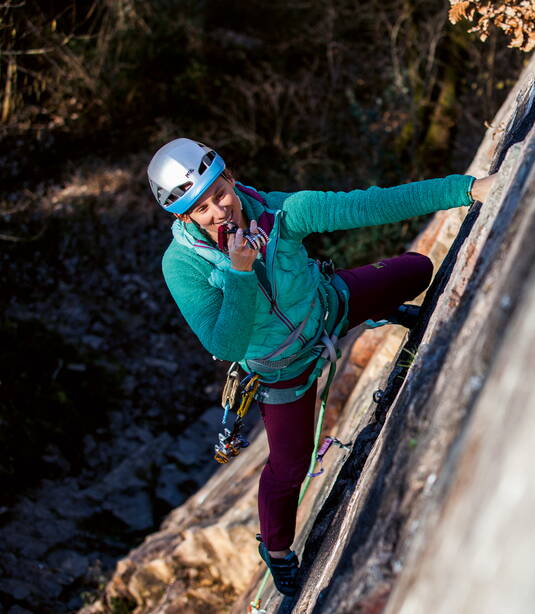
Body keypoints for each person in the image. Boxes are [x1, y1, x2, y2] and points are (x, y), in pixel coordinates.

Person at [149, 137, 495, 596]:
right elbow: (225, 343)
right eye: (202, 209)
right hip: (282, 370)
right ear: (183, 218)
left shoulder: (281, 214)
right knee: (288, 470)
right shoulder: (182, 266)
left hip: (328, 310)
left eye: (220, 193)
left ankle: (378, 310)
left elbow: (366, 206)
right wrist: (239, 272)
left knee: (417, 269)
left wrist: (469, 189)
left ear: (231, 178)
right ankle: (274, 551)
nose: (220, 211)